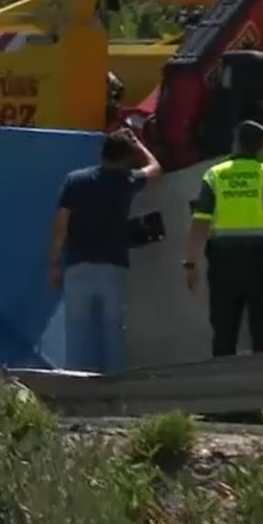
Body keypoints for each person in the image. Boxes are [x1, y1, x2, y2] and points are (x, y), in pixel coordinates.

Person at [47, 128, 163, 372]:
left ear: (101, 153)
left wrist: (55, 263)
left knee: (78, 335)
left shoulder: (76, 180)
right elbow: (156, 168)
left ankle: (76, 392)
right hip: (113, 267)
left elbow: (61, 224)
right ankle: (116, 393)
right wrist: (138, 144)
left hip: (78, 266)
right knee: (113, 333)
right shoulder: (127, 181)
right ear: (125, 158)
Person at [184, 120, 263, 357]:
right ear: (261, 147)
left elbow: (200, 221)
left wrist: (191, 262)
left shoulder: (215, 175)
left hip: (224, 259)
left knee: (224, 329)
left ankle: (223, 385)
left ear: (235, 143)